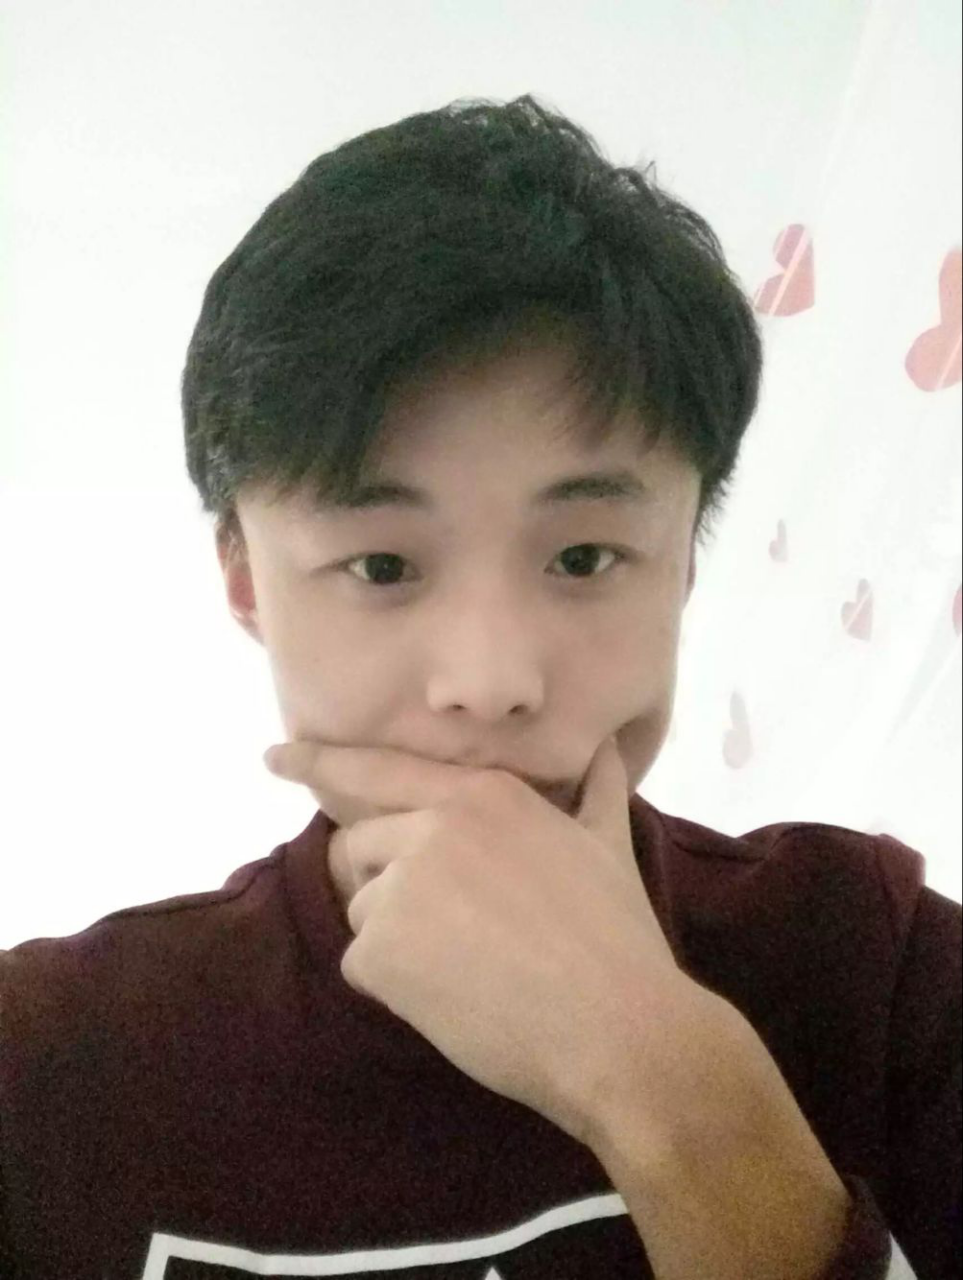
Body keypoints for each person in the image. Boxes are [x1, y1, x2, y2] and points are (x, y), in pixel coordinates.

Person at [1, 94, 958, 1280]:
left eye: (585, 556)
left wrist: (663, 1078)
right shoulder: (49, 1059)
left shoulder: (882, 969)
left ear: (684, 560)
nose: (492, 681)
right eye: (383, 566)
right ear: (246, 580)